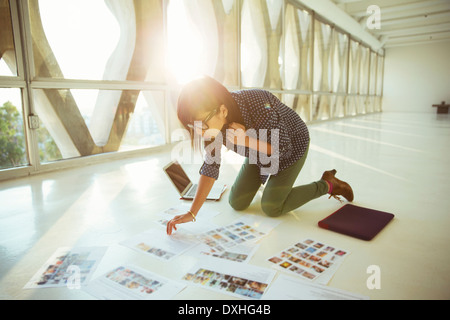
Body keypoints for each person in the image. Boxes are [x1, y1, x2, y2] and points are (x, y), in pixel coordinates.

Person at [166, 76, 353, 235]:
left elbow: (282, 148)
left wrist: (246, 140)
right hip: (258, 151)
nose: (199, 132)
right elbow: (210, 166)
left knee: (271, 207)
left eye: (202, 124)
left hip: (292, 145)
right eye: (193, 126)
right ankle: (271, 185)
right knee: (237, 202)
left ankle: (329, 184)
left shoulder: (258, 102)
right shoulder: (209, 129)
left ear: (222, 110)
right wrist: (192, 213)